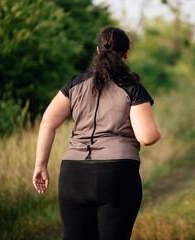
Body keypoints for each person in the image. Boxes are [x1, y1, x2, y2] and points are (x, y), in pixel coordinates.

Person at [32, 26, 161, 240]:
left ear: (98, 51)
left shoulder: (74, 84)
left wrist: (40, 165)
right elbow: (147, 137)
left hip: (73, 175)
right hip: (117, 175)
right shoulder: (132, 88)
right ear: (126, 53)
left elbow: (47, 122)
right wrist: (158, 131)